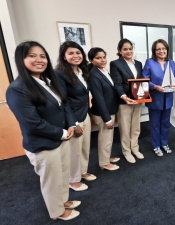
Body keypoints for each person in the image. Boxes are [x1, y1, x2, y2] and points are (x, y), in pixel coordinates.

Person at [6, 41, 80, 220]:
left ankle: (62, 201)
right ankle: (57, 212)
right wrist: (62, 132)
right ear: (20, 59)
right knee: (51, 180)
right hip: (43, 144)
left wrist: (71, 125)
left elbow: (63, 105)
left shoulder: (46, 81)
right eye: (32, 56)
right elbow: (33, 123)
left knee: (61, 175)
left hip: (60, 138)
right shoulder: (17, 89)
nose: (39, 60)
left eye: (42, 56)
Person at [55, 41, 95, 192]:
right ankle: (73, 180)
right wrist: (73, 123)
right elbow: (63, 101)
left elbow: (85, 90)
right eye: (70, 53)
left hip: (84, 113)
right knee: (74, 151)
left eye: (78, 52)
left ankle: (83, 171)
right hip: (73, 118)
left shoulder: (81, 70)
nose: (75, 56)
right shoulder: (60, 73)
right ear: (64, 57)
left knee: (85, 147)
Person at [142, 39, 175, 156]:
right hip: (155, 98)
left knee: (165, 123)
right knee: (155, 123)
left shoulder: (171, 63)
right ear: (154, 51)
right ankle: (156, 145)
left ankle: (164, 143)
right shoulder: (149, 62)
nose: (161, 51)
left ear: (167, 49)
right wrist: (155, 87)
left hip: (168, 98)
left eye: (163, 48)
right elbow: (144, 80)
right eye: (158, 49)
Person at [110, 39, 144, 163]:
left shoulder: (139, 63)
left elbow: (141, 81)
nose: (128, 51)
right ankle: (127, 151)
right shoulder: (115, 64)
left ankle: (135, 148)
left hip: (138, 100)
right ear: (120, 51)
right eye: (125, 49)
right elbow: (117, 83)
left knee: (136, 127)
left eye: (130, 48)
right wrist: (124, 96)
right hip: (124, 101)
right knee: (125, 128)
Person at [88, 47, 120, 170]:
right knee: (104, 138)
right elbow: (98, 98)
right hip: (103, 112)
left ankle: (106, 157)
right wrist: (107, 119)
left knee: (108, 137)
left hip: (109, 109)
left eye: (104, 57)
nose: (102, 60)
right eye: (98, 58)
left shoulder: (102, 70)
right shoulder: (94, 75)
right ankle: (104, 163)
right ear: (91, 60)